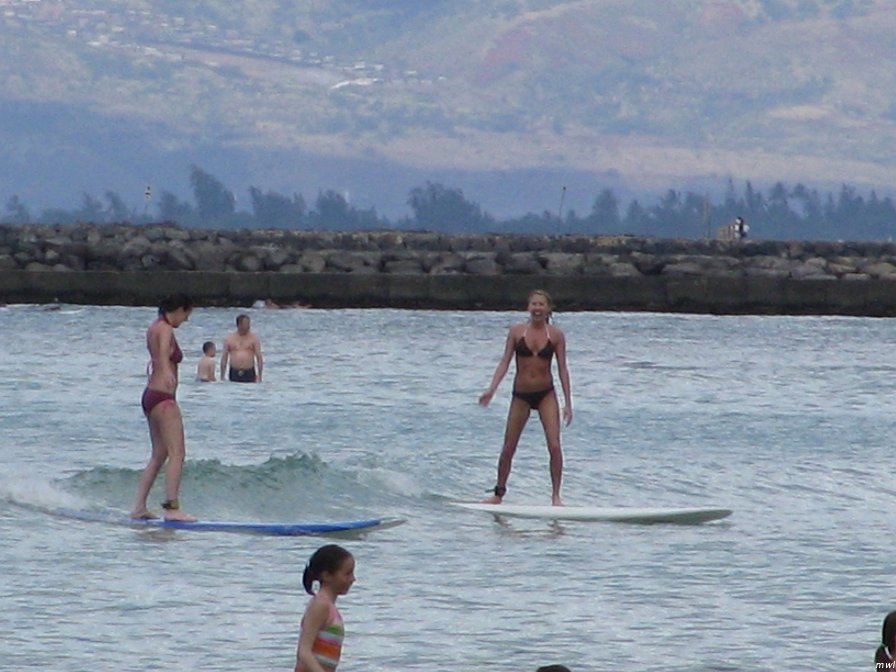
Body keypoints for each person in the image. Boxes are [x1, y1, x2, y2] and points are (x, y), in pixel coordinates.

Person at [479, 289, 572, 506]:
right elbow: (504, 362)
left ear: (548, 309)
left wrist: (568, 403)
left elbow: (562, 369)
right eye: (534, 304)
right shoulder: (516, 332)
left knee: (554, 446)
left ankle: (556, 496)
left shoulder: (556, 335)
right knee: (508, 447)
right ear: (528, 307)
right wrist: (491, 389)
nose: (537, 308)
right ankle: (498, 494)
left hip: (546, 394)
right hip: (521, 395)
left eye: (541, 305)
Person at [130, 294, 196, 522]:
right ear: (179, 309)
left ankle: (139, 507)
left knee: (159, 454)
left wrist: (163, 368)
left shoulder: (153, 327)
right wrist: (167, 371)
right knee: (177, 453)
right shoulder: (166, 329)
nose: (186, 320)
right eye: (186, 314)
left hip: (151, 396)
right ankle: (172, 508)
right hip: (164, 398)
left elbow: (157, 353)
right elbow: (162, 354)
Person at [294, 544, 355, 672]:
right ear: (326, 576)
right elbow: (304, 652)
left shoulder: (329, 607)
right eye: (347, 574)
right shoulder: (320, 604)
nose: (353, 579)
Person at [220, 313, 263, 383]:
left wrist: (260, 376)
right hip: (234, 372)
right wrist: (222, 376)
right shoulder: (229, 339)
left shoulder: (254, 339)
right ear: (239, 324)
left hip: (249, 372)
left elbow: (259, 357)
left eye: (249, 323)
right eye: (246, 323)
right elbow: (224, 357)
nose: (249, 326)